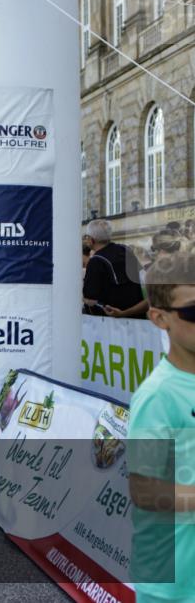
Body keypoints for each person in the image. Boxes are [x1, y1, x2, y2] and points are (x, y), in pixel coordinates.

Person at [127, 254, 195, 602]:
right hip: (172, 585)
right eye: (193, 312)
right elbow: (144, 491)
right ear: (159, 318)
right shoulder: (157, 396)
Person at [83, 219, 145, 318]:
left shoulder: (96, 261)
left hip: (112, 320)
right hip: (136, 316)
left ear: (92, 239)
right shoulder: (125, 250)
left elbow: (90, 298)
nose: (86, 240)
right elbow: (143, 279)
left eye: (86, 237)